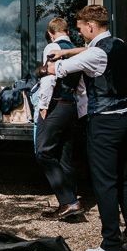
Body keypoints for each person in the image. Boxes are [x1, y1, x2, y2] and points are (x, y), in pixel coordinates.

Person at [47, 5, 127, 251]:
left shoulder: (94, 55)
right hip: (126, 119)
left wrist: (51, 62)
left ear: (91, 26)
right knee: (124, 178)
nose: (78, 32)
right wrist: (67, 50)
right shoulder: (117, 43)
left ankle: (111, 245)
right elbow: (88, 51)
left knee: (104, 183)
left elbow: (56, 71)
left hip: (105, 124)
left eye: (80, 28)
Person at [34, 18, 87, 220]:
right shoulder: (75, 49)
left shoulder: (52, 47)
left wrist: (43, 106)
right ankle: (70, 208)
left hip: (55, 104)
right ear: (68, 32)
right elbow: (81, 86)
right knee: (65, 157)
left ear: (50, 33)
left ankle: (69, 202)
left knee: (43, 152)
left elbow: (48, 78)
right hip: (71, 106)